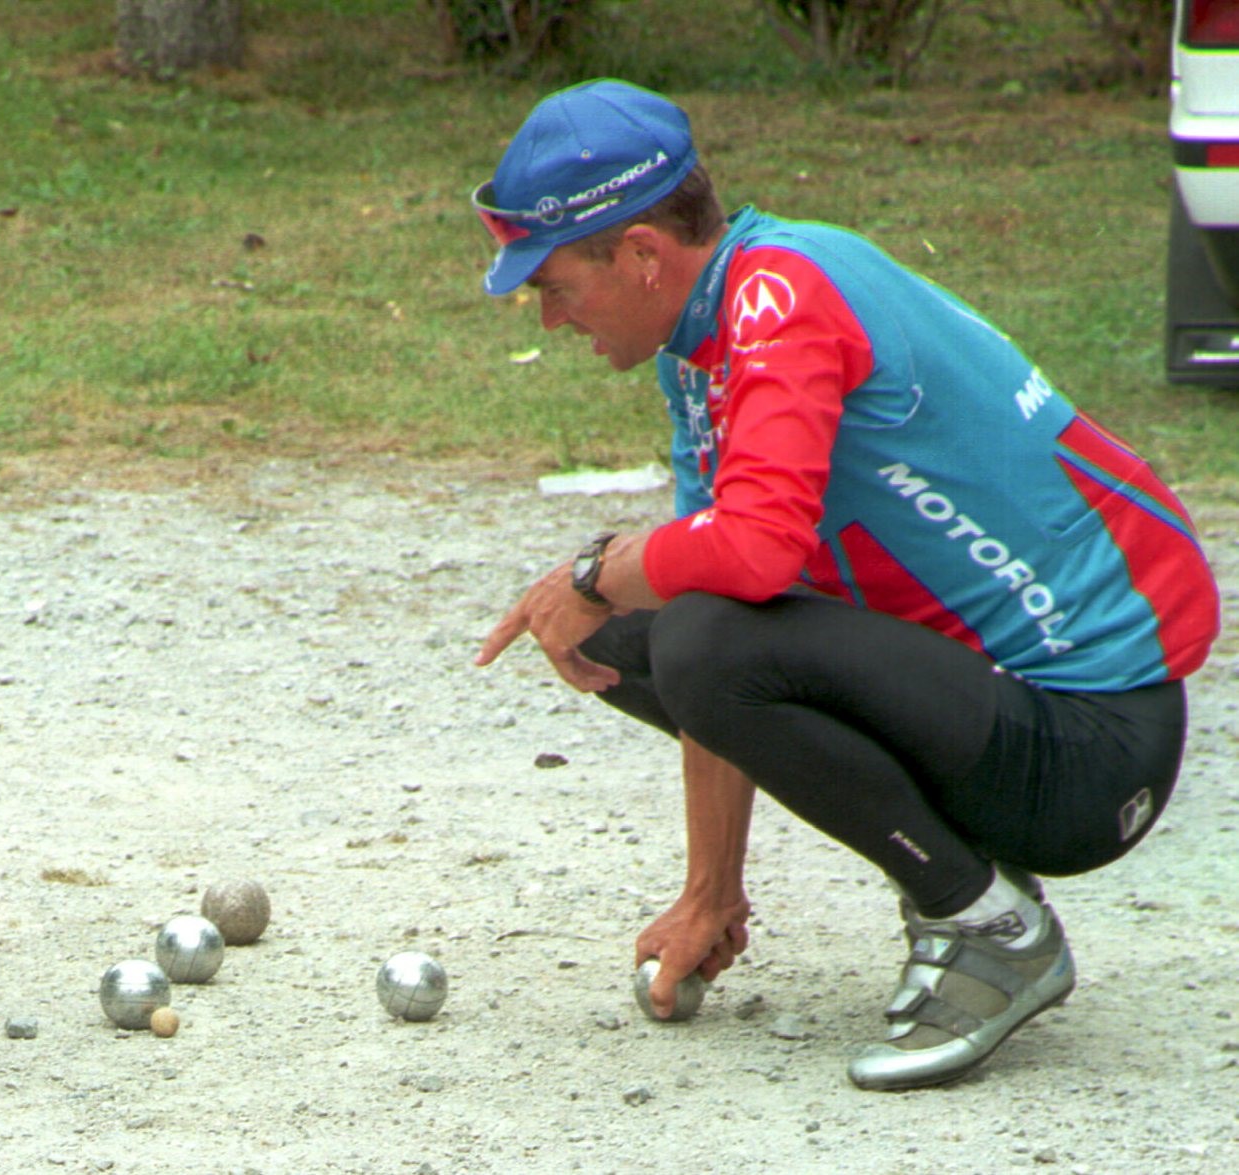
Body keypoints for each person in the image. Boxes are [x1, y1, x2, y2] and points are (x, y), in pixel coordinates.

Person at [469, 79, 1220, 1091]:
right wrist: (709, 891)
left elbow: (752, 555)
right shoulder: (701, 344)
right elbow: (720, 594)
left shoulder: (783, 294)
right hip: (1000, 709)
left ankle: (987, 924)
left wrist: (593, 567)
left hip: (1090, 752)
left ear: (642, 255)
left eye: (552, 284)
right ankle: (965, 887)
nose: (550, 317)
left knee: (668, 618)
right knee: (635, 630)